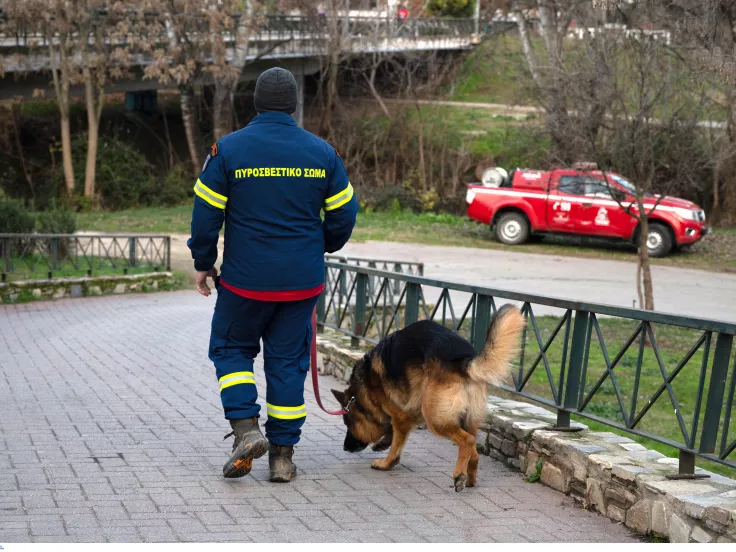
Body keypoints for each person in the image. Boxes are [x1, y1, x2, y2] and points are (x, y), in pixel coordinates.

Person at [187, 67, 358, 483]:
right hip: (300, 284)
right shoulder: (322, 154)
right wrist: (323, 245)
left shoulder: (227, 151)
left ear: (256, 103)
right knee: (287, 364)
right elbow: (344, 213)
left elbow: (206, 214)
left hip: (244, 282)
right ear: (294, 104)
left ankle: (246, 431)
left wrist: (203, 260)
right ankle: (282, 458)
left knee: (231, 351)